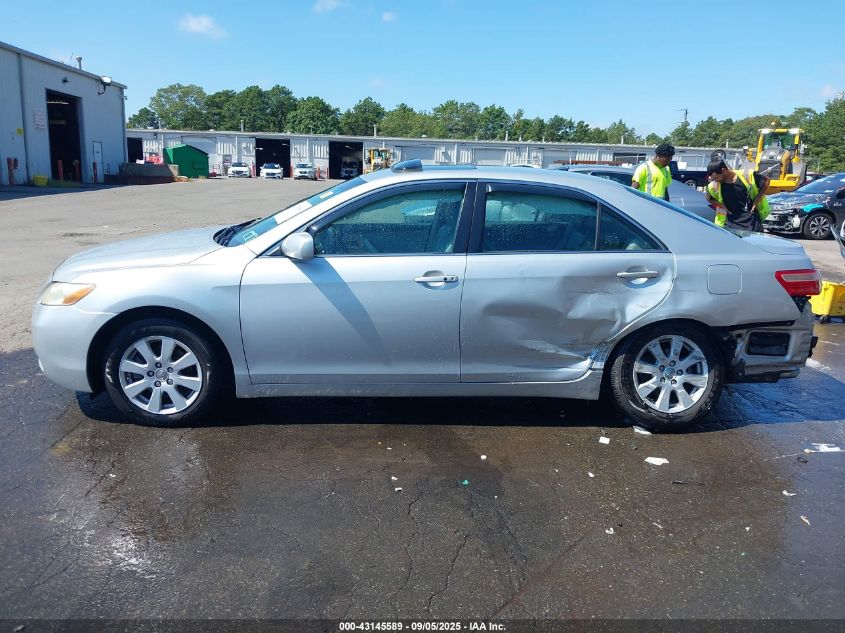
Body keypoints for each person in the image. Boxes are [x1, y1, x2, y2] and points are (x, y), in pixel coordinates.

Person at [704, 160, 770, 231]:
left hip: (752, 223)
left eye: (716, 177)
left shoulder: (746, 175)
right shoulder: (714, 185)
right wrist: (722, 206)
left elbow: (766, 181)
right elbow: (709, 198)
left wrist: (756, 201)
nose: (716, 180)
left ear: (724, 170)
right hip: (731, 224)